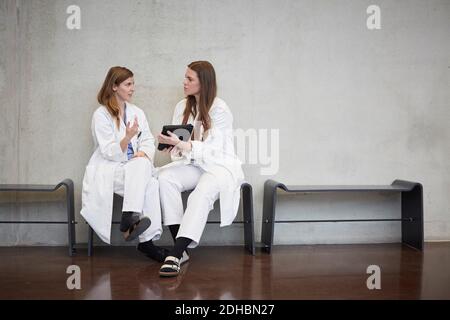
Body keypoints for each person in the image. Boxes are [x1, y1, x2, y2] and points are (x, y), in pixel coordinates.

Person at [157, 61, 244, 277]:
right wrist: (174, 147)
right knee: (166, 178)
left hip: (220, 166)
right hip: (195, 164)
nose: (184, 82)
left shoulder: (220, 108)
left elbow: (213, 150)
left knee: (202, 191)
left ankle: (175, 254)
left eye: (189, 79)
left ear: (203, 83)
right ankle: (183, 249)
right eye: (185, 77)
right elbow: (182, 145)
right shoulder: (181, 107)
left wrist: (182, 145)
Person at [81, 66, 168, 262]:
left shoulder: (137, 112)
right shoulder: (101, 115)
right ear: (114, 86)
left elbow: (147, 141)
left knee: (148, 175)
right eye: (128, 84)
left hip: (135, 168)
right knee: (144, 173)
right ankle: (143, 240)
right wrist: (127, 137)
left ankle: (131, 220)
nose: (132, 88)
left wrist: (143, 153)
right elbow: (108, 152)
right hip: (111, 170)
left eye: (133, 84)